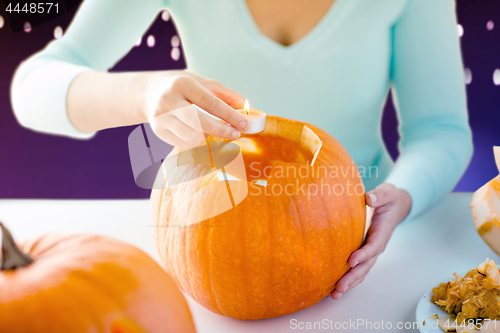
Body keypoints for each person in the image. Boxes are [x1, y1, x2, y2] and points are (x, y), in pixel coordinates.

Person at [10, 0, 473, 300]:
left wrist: (403, 194)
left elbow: (441, 128)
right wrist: (145, 93)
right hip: (211, 228)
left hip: (369, 238)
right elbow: (32, 88)